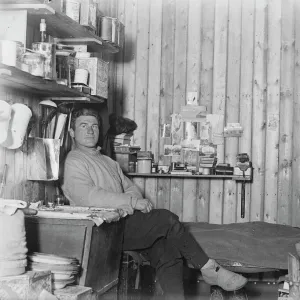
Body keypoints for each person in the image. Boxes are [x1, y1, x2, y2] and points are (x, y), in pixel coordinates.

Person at [62, 107, 248, 300]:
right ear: (72, 132)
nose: (90, 130)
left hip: (122, 223)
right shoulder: (74, 160)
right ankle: (209, 268)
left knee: (168, 249)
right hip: (103, 232)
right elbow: (90, 197)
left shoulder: (109, 162)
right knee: (166, 219)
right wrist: (132, 202)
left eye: (94, 126)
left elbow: (132, 188)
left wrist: (132, 201)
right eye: (83, 126)